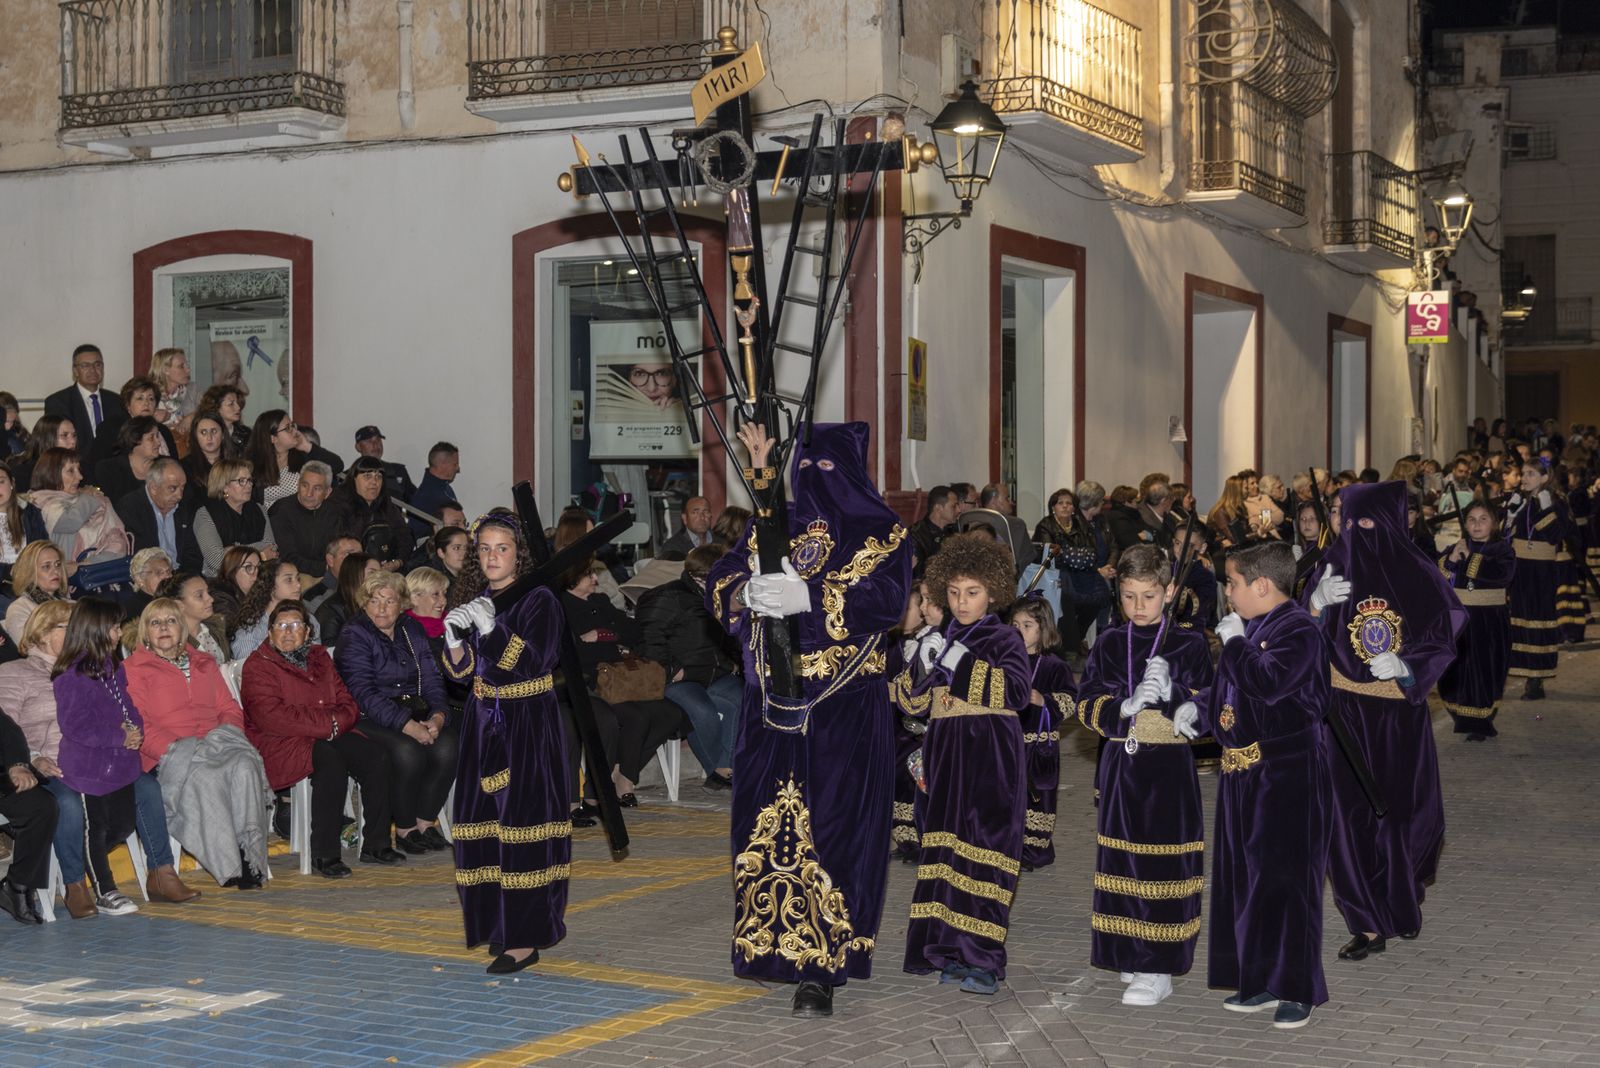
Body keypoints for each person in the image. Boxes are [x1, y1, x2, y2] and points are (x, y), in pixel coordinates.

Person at [705, 421, 912, 1018]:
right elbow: (720, 577)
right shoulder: (774, 522)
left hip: (845, 709)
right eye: (808, 469)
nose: (816, 482)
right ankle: (772, 947)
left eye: (829, 470)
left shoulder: (884, 531)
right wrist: (745, 595)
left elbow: (887, 603)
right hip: (772, 704)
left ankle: (822, 966)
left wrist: (812, 602)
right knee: (766, 826)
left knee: (834, 829)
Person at [1302, 481, 1465, 962]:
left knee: (1397, 816)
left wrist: (1408, 666)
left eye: (1367, 523)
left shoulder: (1416, 572)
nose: (1355, 533)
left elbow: (1446, 628)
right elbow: (1294, 638)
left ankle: (1400, 899)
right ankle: (1366, 921)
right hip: (1340, 712)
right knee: (1344, 819)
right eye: (1347, 522)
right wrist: (1314, 606)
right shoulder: (1331, 567)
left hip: (1394, 711)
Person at [1175, 541, 1331, 1030]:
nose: (1227, 591)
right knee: (1248, 882)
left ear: (1262, 585)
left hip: (1287, 772)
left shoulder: (1298, 629)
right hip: (1242, 772)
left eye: (1232, 582)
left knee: (1288, 882)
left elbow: (1267, 681)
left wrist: (1236, 643)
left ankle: (1297, 988)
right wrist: (1198, 710)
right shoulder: (1254, 626)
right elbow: (1231, 689)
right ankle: (1261, 977)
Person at [1073, 544, 1213, 1007]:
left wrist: (1175, 696)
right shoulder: (1111, 642)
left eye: (1149, 597)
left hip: (1168, 770)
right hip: (1120, 766)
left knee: (1161, 862)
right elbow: (1085, 703)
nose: (1137, 607)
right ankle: (1130, 948)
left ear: (1169, 591)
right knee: (1122, 861)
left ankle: (1160, 964)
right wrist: (1123, 708)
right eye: (1128, 596)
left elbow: (1210, 712)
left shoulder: (1189, 644)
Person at [895, 531, 1028, 996]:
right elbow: (912, 706)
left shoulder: (1004, 637)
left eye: (972, 593)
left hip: (990, 753)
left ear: (992, 592)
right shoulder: (940, 634)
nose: (962, 602)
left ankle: (984, 959)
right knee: (945, 850)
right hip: (946, 752)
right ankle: (948, 948)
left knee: (985, 852)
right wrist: (914, 662)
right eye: (953, 593)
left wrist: (958, 661)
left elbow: (1014, 693)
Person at [442, 510, 573, 974]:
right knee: (481, 823)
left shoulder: (540, 599)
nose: (493, 557)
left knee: (523, 825)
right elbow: (461, 675)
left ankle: (526, 937)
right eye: (485, 549)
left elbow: (534, 661)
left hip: (527, 723)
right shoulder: (476, 597)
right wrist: (455, 640)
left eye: (502, 548)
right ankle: (497, 925)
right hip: (483, 722)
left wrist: (492, 631)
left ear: (518, 553)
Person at [52, 596, 191, 916]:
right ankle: (104, 889)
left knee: (123, 823)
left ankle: (102, 866)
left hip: (119, 766)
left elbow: (129, 706)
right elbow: (75, 727)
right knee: (95, 827)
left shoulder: (113, 667)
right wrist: (119, 736)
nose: (118, 632)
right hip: (88, 769)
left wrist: (136, 730)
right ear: (94, 629)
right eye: (113, 626)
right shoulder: (70, 676)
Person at [241, 599, 396, 877]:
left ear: (308, 632)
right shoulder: (259, 665)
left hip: (326, 731)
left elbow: (348, 702)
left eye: (296, 625)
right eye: (281, 626)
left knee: (375, 755)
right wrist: (328, 726)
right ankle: (324, 853)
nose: (288, 632)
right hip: (279, 741)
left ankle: (376, 842)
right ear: (270, 632)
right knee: (330, 761)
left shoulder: (319, 657)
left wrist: (335, 724)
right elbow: (272, 717)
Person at [123, 599, 272, 889]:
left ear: (182, 628)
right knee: (207, 778)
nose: (164, 627)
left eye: (171, 621)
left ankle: (250, 852)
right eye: (156, 622)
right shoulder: (133, 669)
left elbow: (228, 707)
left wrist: (224, 737)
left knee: (244, 765)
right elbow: (139, 723)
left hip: (216, 744)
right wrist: (182, 748)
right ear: (145, 632)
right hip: (171, 753)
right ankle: (231, 864)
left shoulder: (204, 663)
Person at [334, 570, 456, 854]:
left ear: (402, 604)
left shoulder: (410, 630)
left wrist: (438, 715)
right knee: (408, 751)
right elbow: (363, 694)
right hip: (367, 715)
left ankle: (425, 821)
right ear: (364, 604)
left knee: (449, 744)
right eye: (374, 601)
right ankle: (404, 828)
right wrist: (408, 726)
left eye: (389, 602)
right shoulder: (355, 634)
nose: (381, 609)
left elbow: (432, 677)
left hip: (411, 708)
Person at [561, 563, 685, 806]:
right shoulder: (561, 606)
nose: (596, 578)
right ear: (571, 578)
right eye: (589, 574)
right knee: (636, 718)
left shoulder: (600, 600)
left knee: (671, 714)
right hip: (594, 682)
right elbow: (576, 651)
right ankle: (621, 782)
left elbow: (633, 631)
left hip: (623, 677)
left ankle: (623, 770)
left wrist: (602, 635)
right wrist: (608, 640)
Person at [0, 602, 91, 919]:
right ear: (42, 632)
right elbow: (8, 727)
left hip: (70, 762)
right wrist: (27, 761)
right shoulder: (13, 672)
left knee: (135, 786)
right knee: (57, 802)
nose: (77, 634)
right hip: (32, 767)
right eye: (68, 626)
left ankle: (110, 885)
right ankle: (72, 885)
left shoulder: (83, 673)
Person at [635, 543, 740, 790]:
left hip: (716, 672)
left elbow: (730, 638)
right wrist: (670, 669)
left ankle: (726, 768)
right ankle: (718, 768)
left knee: (744, 700)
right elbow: (648, 638)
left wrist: (734, 662)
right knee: (702, 712)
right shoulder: (668, 596)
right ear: (703, 574)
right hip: (682, 676)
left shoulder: (722, 597)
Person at [1436, 501, 1516, 739]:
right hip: (1460, 619)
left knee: (1484, 669)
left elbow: (1503, 575)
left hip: (1488, 619)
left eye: (1483, 519)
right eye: (1471, 519)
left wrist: (1471, 559)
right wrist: (1451, 559)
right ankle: (1461, 715)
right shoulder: (1458, 545)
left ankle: (1481, 722)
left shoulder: (1502, 549)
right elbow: (1438, 576)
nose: (1477, 524)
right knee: (1456, 669)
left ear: (1494, 524)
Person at [1007, 597, 1075, 872]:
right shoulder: (1006, 661)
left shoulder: (1054, 665)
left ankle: (1036, 850)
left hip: (1039, 745)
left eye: (1027, 625)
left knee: (1039, 796)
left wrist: (1043, 700)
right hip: (1009, 743)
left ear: (1043, 628)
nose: (1019, 630)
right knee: (1010, 796)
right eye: (1014, 624)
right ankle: (1010, 846)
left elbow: (1071, 699)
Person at [1503, 459, 1568, 700]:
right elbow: (1506, 535)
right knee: (1520, 617)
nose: (1524, 478)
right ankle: (1523, 669)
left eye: (1530, 474)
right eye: (1523, 474)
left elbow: (1556, 535)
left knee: (1539, 618)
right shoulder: (1522, 500)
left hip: (1541, 570)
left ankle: (1537, 678)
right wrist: (1510, 513)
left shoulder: (1555, 502)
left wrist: (1546, 509)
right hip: (1520, 568)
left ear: (1544, 478)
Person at [27, 447, 131, 565]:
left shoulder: (97, 499)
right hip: (62, 578)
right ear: (52, 473)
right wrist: (87, 498)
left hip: (102, 573)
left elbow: (118, 543)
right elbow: (69, 522)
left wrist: (87, 565)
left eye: (79, 469)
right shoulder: (43, 502)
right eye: (71, 471)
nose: (80, 477)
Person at [115, 458, 202, 575]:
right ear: (154, 488)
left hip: (181, 576)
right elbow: (140, 559)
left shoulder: (186, 505)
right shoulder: (131, 508)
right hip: (151, 577)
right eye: (173, 488)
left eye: (182, 487)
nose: (179, 495)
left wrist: (182, 580)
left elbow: (193, 554)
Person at [193, 459, 277, 577]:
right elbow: (217, 561)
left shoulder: (259, 509)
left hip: (259, 576)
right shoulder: (205, 514)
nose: (249, 485)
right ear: (224, 486)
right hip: (222, 581)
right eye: (241, 481)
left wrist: (232, 549)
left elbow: (271, 547)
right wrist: (261, 555)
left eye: (249, 480)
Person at [43, 344, 125, 462]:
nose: (92, 370)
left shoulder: (116, 401)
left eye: (97, 364)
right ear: (75, 371)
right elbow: (56, 445)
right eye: (85, 365)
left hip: (112, 467)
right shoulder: (58, 402)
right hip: (75, 466)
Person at [229, 558, 319, 659]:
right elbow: (247, 669)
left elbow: (319, 661)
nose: (298, 585)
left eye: (298, 579)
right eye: (289, 580)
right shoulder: (250, 631)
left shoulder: (310, 620)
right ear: (270, 586)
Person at [332, 456, 409, 570]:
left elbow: (404, 537)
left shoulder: (386, 504)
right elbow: (339, 546)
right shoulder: (337, 504)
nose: (374, 482)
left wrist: (396, 562)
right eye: (367, 476)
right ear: (354, 478)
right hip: (350, 570)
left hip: (385, 569)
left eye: (379, 477)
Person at [267, 461, 337, 583]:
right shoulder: (281, 510)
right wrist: (326, 567)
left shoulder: (334, 512)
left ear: (327, 492)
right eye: (305, 485)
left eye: (317, 488)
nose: (309, 494)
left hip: (330, 573)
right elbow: (287, 557)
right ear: (298, 484)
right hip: (294, 575)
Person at [5, 541, 71, 644]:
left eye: (57, 564)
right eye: (46, 566)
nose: (55, 571)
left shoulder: (71, 604)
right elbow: (28, 649)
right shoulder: (20, 609)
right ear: (29, 572)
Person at [92, 415, 166, 502]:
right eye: (151, 438)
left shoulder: (166, 466)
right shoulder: (109, 469)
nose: (158, 442)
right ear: (135, 439)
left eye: (157, 436)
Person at [246, 409, 310, 511]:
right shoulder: (252, 467)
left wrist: (308, 446)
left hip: (299, 521)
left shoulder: (303, 458)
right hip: (267, 523)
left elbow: (336, 466)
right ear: (273, 438)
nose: (295, 431)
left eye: (293, 425)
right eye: (288, 428)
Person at [315, 552, 378, 646]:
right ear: (354, 574)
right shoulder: (331, 611)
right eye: (372, 573)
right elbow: (330, 653)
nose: (380, 578)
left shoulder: (375, 605)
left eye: (381, 573)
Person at [0, 465, 48, 591]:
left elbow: (43, 547)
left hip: (33, 583)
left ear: (12, 483)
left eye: (1, 481)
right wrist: (11, 570)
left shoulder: (30, 513)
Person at [6, 415, 78, 496]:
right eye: (65, 435)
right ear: (47, 439)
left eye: (74, 435)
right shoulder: (22, 472)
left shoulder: (75, 467)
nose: (73, 441)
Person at [409, 442, 462, 540]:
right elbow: (418, 536)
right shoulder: (425, 497)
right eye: (455, 464)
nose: (457, 469)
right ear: (442, 465)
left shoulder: (445, 489)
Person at [182, 410, 234, 507]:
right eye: (203, 432)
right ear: (196, 437)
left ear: (223, 435)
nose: (209, 437)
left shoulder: (235, 463)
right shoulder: (185, 467)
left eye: (214, 431)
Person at [352, 426, 416, 503]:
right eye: (369, 441)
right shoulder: (348, 477)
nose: (375, 445)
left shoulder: (398, 471)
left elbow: (415, 504)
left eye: (378, 440)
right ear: (358, 447)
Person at [148, 348, 199, 440]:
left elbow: (211, 412)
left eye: (187, 365)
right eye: (181, 366)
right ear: (166, 370)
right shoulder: (148, 394)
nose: (188, 370)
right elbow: (135, 424)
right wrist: (153, 420)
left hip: (188, 447)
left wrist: (193, 417)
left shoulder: (193, 390)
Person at [207, 545, 262, 630]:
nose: (256, 575)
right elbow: (230, 634)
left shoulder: (256, 594)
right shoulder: (221, 598)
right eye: (248, 567)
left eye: (258, 567)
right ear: (232, 569)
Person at [909, 486, 957, 575]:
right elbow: (917, 576)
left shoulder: (954, 531)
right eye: (953, 506)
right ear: (938, 508)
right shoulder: (916, 536)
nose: (958, 510)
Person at [124, 547, 174, 620]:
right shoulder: (132, 611)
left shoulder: (177, 597)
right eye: (159, 573)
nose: (167, 576)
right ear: (139, 579)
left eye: (169, 571)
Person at [198, 385, 249, 454]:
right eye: (231, 404)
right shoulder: (203, 435)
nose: (238, 407)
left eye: (237, 403)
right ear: (216, 407)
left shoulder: (246, 433)